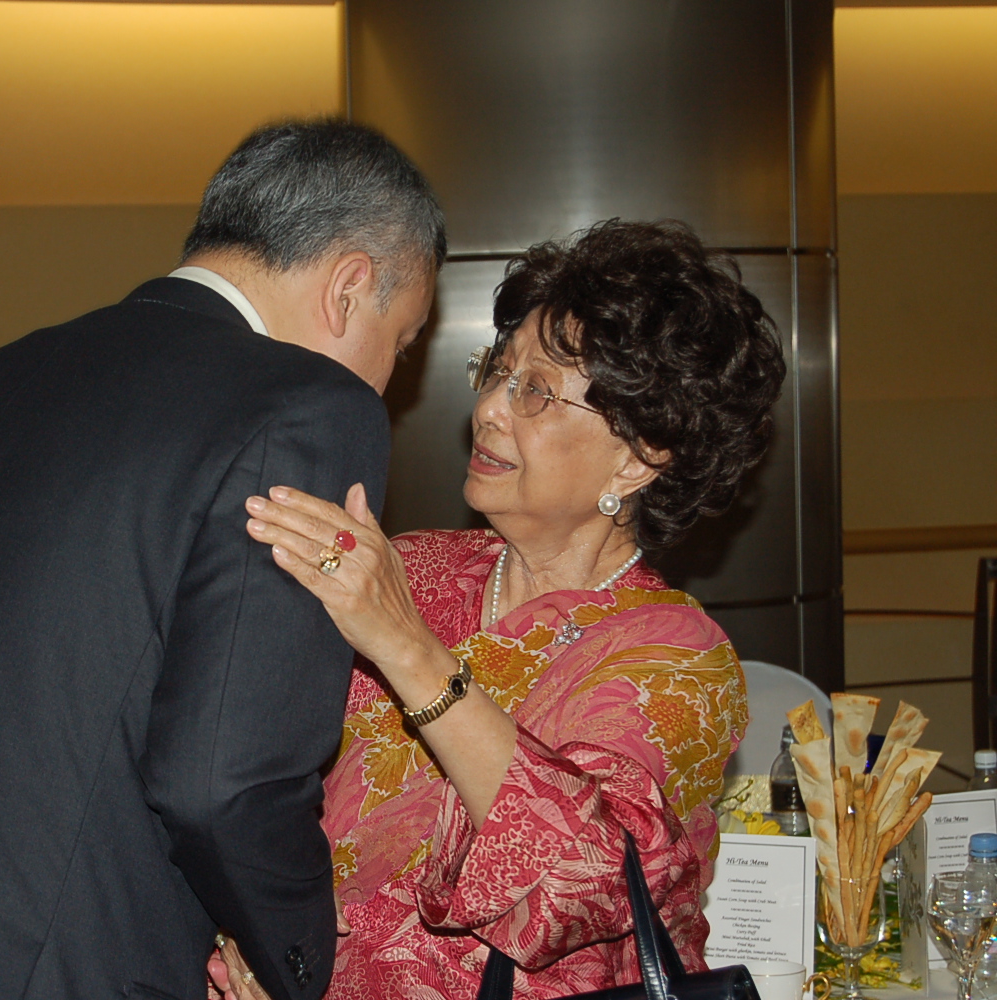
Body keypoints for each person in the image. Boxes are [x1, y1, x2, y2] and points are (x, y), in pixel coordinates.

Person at [0, 120, 444, 1000]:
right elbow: (221, 781)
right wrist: (295, 951)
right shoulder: (304, 406)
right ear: (349, 287)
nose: (386, 383)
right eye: (400, 343)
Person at [231, 220, 786, 999]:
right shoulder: (414, 569)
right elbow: (256, 773)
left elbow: (579, 877)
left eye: (535, 392)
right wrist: (250, 930)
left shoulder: (676, 657)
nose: (490, 407)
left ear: (638, 457)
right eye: (498, 370)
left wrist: (408, 649)